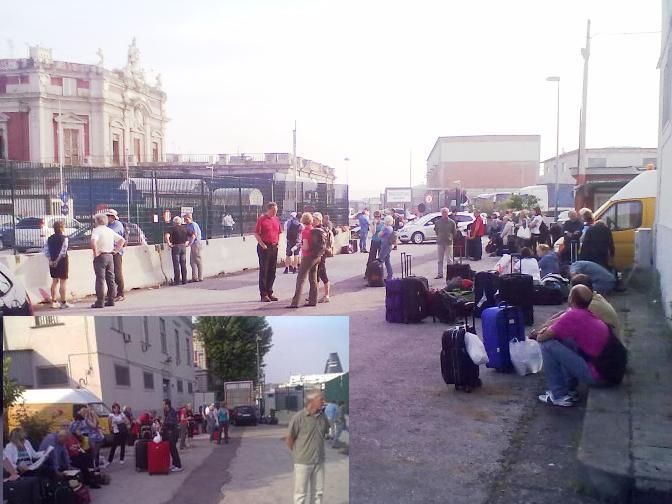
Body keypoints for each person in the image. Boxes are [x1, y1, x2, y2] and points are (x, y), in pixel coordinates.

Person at [530, 285, 610, 407]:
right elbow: (557, 323)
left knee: (548, 345)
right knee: (567, 341)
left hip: (596, 375)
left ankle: (559, 395)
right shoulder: (586, 314)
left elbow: (542, 338)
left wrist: (542, 332)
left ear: (571, 299)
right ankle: (569, 388)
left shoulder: (573, 316)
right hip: (603, 371)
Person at [287, 391, 330, 504]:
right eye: (321, 399)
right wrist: (299, 453)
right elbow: (290, 439)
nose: (323, 402)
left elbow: (326, 433)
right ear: (312, 401)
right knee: (300, 493)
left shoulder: (323, 417)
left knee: (318, 493)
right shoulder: (298, 418)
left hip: (319, 461)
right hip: (303, 462)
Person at [570, 274, 623, 340]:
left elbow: (567, 320)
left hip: (607, 343)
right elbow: (567, 313)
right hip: (610, 338)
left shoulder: (590, 305)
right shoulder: (595, 297)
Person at [90, 213, 125, 308]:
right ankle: (111, 300)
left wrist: (95, 252)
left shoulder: (96, 230)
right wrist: (116, 250)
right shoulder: (109, 230)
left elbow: (93, 242)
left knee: (100, 279)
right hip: (110, 256)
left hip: (101, 256)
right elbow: (122, 240)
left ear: (97, 221)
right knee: (110, 279)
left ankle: (100, 302)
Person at [288, 212, 322, 308]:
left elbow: (306, 247)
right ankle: (313, 300)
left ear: (302, 220)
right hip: (316, 256)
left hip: (307, 257)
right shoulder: (313, 229)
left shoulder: (305, 231)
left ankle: (295, 302)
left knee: (300, 279)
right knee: (313, 279)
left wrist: (300, 245)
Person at [254, 202, 283, 302]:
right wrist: (263, 245)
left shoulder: (276, 219)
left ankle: (270, 292)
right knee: (264, 271)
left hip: (274, 246)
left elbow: (279, 232)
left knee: (272, 271)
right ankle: (263, 294)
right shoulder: (262, 219)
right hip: (265, 247)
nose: (275, 212)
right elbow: (256, 233)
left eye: (276, 211)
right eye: (273, 211)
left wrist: (277, 243)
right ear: (269, 210)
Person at [43, 220, 72, 309]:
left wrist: (51, 260)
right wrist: (57, 261)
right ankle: (63, 302)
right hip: (62, 262)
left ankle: (54, 302)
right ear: (62, 228)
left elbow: (46, 251)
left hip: (52, 261)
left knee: (54, 281)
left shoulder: (49, 238)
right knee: (63, 282)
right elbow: (63, 251)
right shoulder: (64, 238)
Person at [106, 208, 126, 302]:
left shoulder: (117, 225)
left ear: (113, 217)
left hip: (117, 252)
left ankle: (121, 293)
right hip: (110, 251)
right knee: (110, 274)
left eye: (109, 216)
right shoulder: (108, 225)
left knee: (117, 273)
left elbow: (111, 234)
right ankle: (112, 293)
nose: (107, 217)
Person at [313, 212, 331, 303]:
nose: (313, 221)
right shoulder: (315, 229)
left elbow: (323, 244)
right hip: (315, 254)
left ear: (319, 220)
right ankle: (315, 294)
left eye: (315, 220)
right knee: (315, 275)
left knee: (322, 273)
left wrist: (321, 253)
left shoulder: (321, 230)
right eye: (313, 219)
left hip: (321, 254)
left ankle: (327, 295)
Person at [165, 216, 189, 286]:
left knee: (176, 265)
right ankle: (184, 280)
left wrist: (169, 243)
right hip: (183, 247)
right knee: (183, 264)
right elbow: (193, 235)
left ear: (174, 222)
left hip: (176, 247)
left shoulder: (172, 229)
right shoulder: (184, 228)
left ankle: (177, 281)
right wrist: (188, 242)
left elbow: (167, 236)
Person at [435, 207, 457, 279]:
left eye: (446, 212)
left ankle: (450, 275)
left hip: (449, 242)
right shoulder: (438, 222)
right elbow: (436, 231)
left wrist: (450, 238)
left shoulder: (452, 222)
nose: (444, 214)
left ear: (448, 213)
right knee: (440, 260)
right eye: (443, 212)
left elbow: (454, 232)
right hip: (440, 242)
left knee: (449, 260)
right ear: (441, 213)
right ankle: (440, 274)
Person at [162, 399, 183, 472]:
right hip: (169, 433)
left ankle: (178, 465)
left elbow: (172, 423)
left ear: (167, 405)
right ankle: (175, 464)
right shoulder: (167, 412)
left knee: (173, 450)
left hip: (172, 433)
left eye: (164, 404)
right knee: (171, 449)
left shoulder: (172, 412)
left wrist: (164, 424)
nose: (163, 406)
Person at [184, 213, 204, 282]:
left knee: (198, 260)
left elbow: (194, 235)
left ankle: (200, 276)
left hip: (196, 243)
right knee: (192, 261)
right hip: (193, 244)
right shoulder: (188, 225)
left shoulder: (193, 225)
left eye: (186, 219)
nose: (185, 221)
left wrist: (189, 243)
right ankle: (194, 277)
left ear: (190, 218)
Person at [378, 215, 395, 281]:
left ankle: (379, 276)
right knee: (387, 261)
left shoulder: (386, 228)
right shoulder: (391, 228)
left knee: (380, 260)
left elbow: (379, 235)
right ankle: (390, 275)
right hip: (389, 246)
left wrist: (382, 229)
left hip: (385, 246)